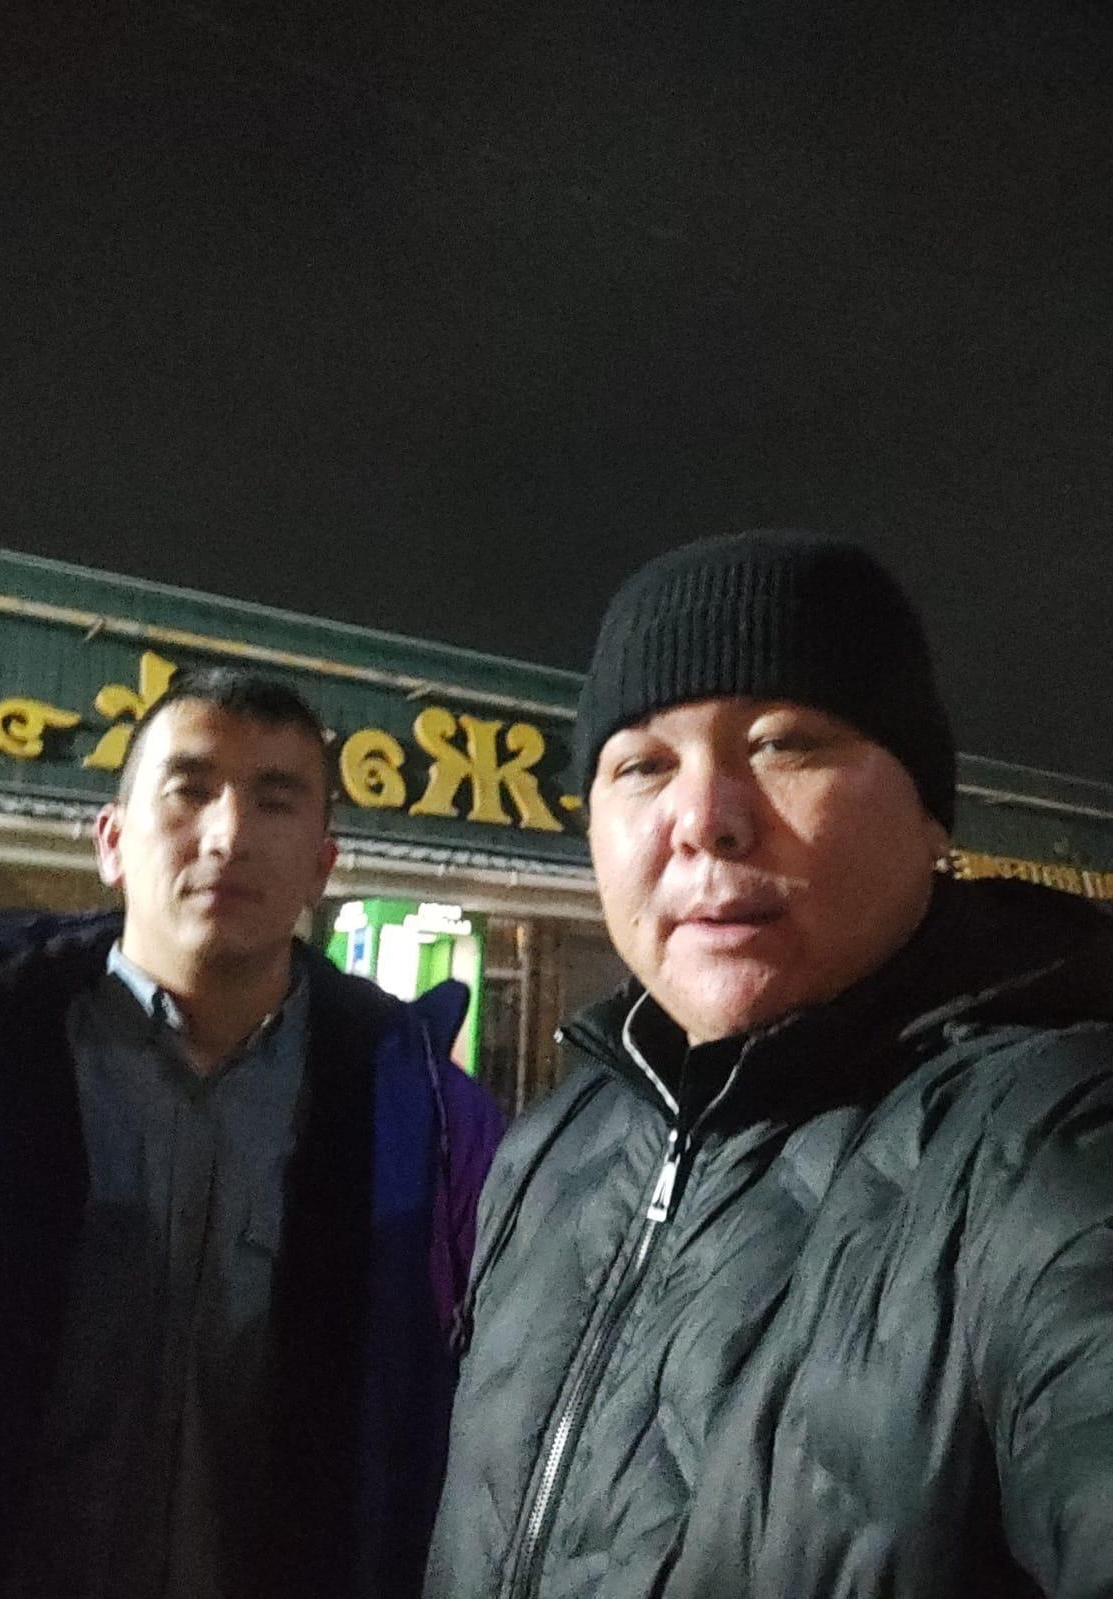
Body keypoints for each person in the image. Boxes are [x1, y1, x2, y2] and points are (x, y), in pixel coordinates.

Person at [426, 530, 1113, 1599]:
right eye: (643, 765)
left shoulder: (1055, 1143)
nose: (704, 819)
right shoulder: (554, 1147)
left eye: (785, 743)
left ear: (931, 812)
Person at [0, 667, 503, 1599]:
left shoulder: (428, 1114)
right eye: (190, 789)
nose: (228, 835)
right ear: (112, 840)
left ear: (322, 865)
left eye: (276, 800)